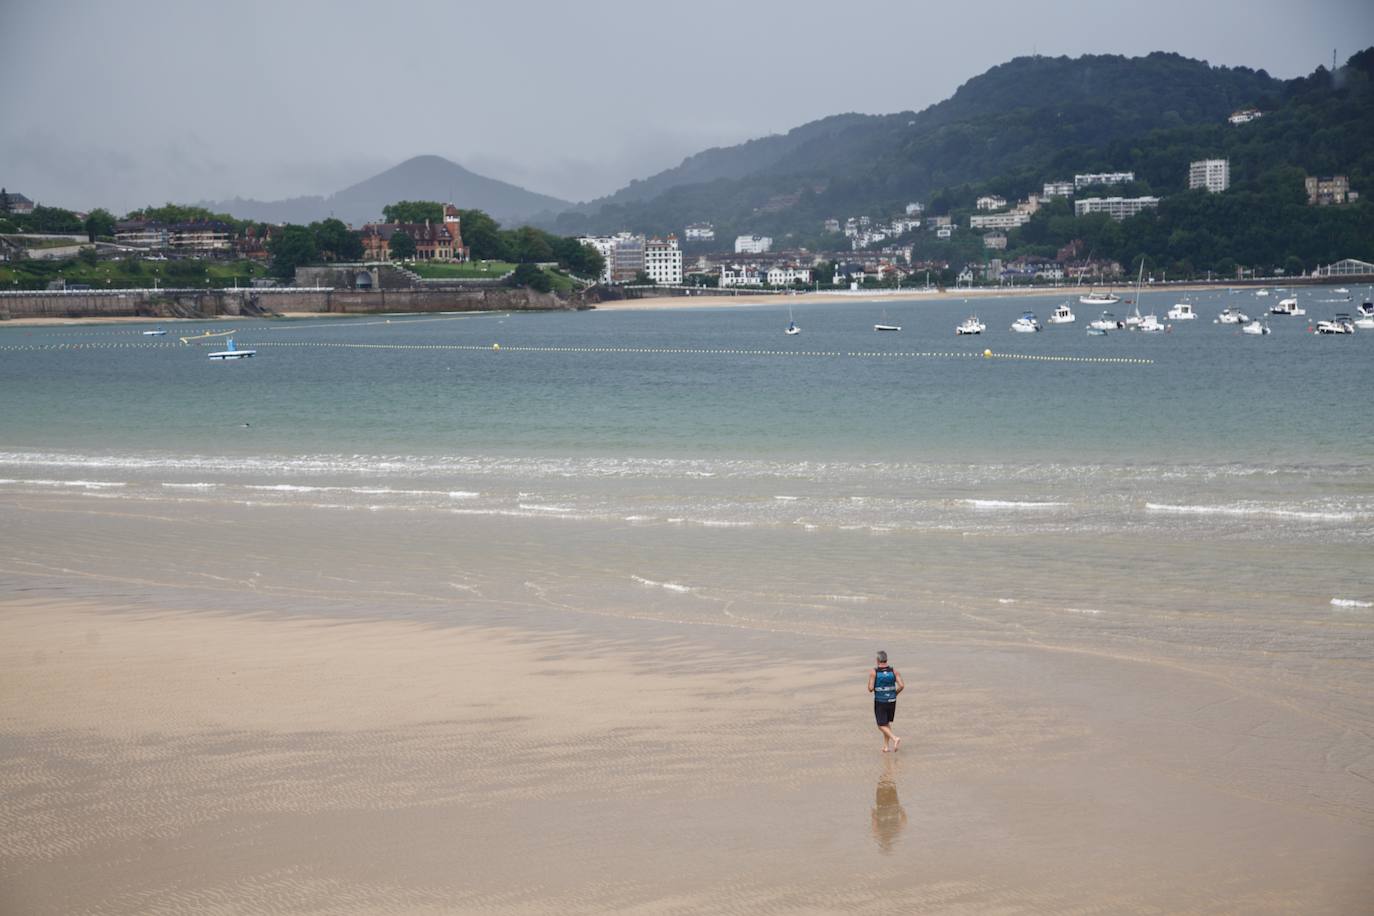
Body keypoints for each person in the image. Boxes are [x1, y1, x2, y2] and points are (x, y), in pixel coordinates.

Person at [867, 650, 904, 752]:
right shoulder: (894, 671)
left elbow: (870, 688)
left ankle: (895, 738)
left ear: (877, 660)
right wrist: (895, 693)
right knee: (886, 723)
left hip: (880, 701)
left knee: (880, 725)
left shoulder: (874, 672)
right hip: (892, 700)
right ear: (886, 659)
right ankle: (886, 746)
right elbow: (901, 686)